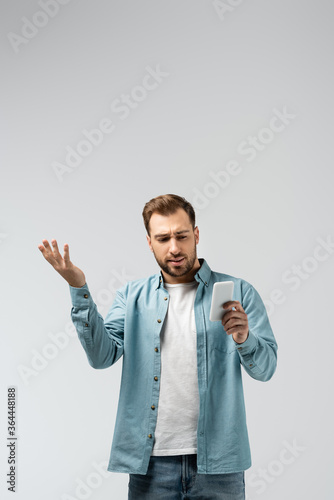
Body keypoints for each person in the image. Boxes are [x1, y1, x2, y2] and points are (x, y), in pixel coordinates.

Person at [38, 193, 278, 500]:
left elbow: (267, 369)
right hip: (151, 464)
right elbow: (102, 357)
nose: (175, 248)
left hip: (220, 464)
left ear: (197, 235)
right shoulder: (132, 296)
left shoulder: (239, 291)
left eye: (182, 236)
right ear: (150, 243)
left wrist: (245, 339)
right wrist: (78, 288)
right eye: (163, 238)